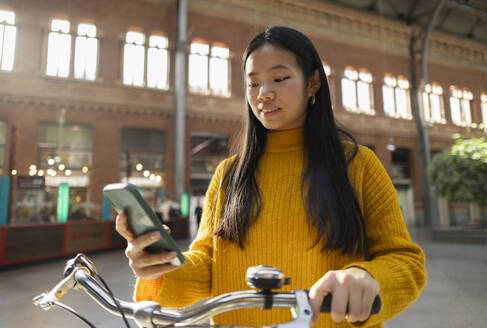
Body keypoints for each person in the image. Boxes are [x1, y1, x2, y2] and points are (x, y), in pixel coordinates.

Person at [116, 26, 426, 328]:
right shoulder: (229, 175)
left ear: (313, 83)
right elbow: (207, 268)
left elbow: (405, 261)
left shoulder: (359, 165)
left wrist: (367, 277)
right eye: (253, 84)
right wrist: (160, 267)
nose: (264, 93)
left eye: (279, 78)